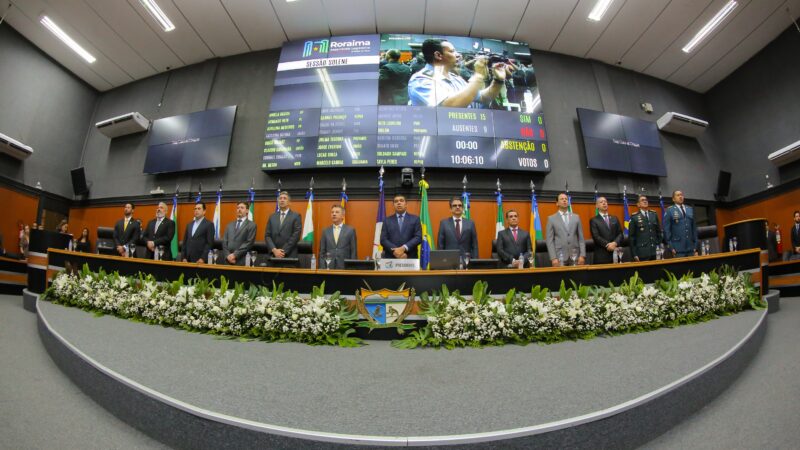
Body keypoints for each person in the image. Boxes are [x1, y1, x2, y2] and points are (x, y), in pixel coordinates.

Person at [407, 38, 512, 108]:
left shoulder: (455, 78)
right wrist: (478, 75)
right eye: (452, 51)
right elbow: (449, 107)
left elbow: (483, 97)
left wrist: (498, 80)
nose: (457, 55)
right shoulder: (421, 80)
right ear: (438, 55)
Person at [546, 193, 586, 266]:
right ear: (557, 203)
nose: (564, 200)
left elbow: (581, 238)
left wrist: (582, 255)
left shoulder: (576, 217)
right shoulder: (551, 219)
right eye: (562, 199)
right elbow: (549, 240)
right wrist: (553, 258)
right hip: (559, 257)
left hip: (576, 256)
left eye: (566, 199)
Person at [380, 194, 422, 259]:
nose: (399, 203)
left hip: (409, 257)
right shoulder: (387, 221)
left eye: (401, 201)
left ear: (406, 204)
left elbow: (418, 237)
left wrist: (404, 248)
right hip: (391, 259)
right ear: (393, 205)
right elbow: (383, 239)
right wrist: (396, 252)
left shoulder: (415, 219)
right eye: (396, 201)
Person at [265, 191, 302, 259]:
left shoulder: (296, 216)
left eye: (285, 198)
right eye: (280, 198)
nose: (282, 200)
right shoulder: (272, 216)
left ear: (289, 202)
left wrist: (282, 252)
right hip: (273, 255)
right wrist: (274, 250)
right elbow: (267, 235)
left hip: (289, 255)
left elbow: (296, 236)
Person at [319, 205, 357, 269]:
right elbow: (322, 252)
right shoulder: (325, 231)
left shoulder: (350, 230)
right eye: (332, 212)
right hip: (329, 268)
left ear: (343, 216)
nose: (334, 214)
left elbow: (353, 252)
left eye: (337, 212)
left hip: (345, 268)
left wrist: (352, 269)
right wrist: (322, 268)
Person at [663, 190, 698, 257]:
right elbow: (666, 231)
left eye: (681, 195)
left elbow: (694, 228)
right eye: (678, 195)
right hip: (677, 249)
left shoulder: (690, 209)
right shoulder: (669, 210)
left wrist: (696, 246)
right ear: (673, 199)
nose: (680, 196)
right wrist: (671, 247)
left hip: (691, 248)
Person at [589, 196, 623, 264]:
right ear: (597, 206)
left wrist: (615, 243)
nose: (604, 203)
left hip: (616, 254)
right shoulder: (594, 220)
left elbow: (620, 234)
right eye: (601, 202)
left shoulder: (614, 218)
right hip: (602, 256)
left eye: (605, 202)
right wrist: (608, 245)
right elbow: (596, 236)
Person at [628, 195, 662, 262]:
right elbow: (631, 237)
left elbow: (659, 232)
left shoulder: (654, 214)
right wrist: (634, 254)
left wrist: (658, 243)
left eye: (646, 200)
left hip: (655, 251)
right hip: (642, 253)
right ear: (638, 204)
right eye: (642, 200)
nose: (645, 201)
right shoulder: (634, 217)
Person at [221, 202, 257, 266]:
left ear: (247, 211)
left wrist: (234, 255)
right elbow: (224, 242)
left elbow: (249, 243)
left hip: (242, 260)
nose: (239, 209)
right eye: (238, 208)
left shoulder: (251, 225)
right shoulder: (229, 225)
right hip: (227, 260)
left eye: (242, 208)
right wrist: (228, 256)